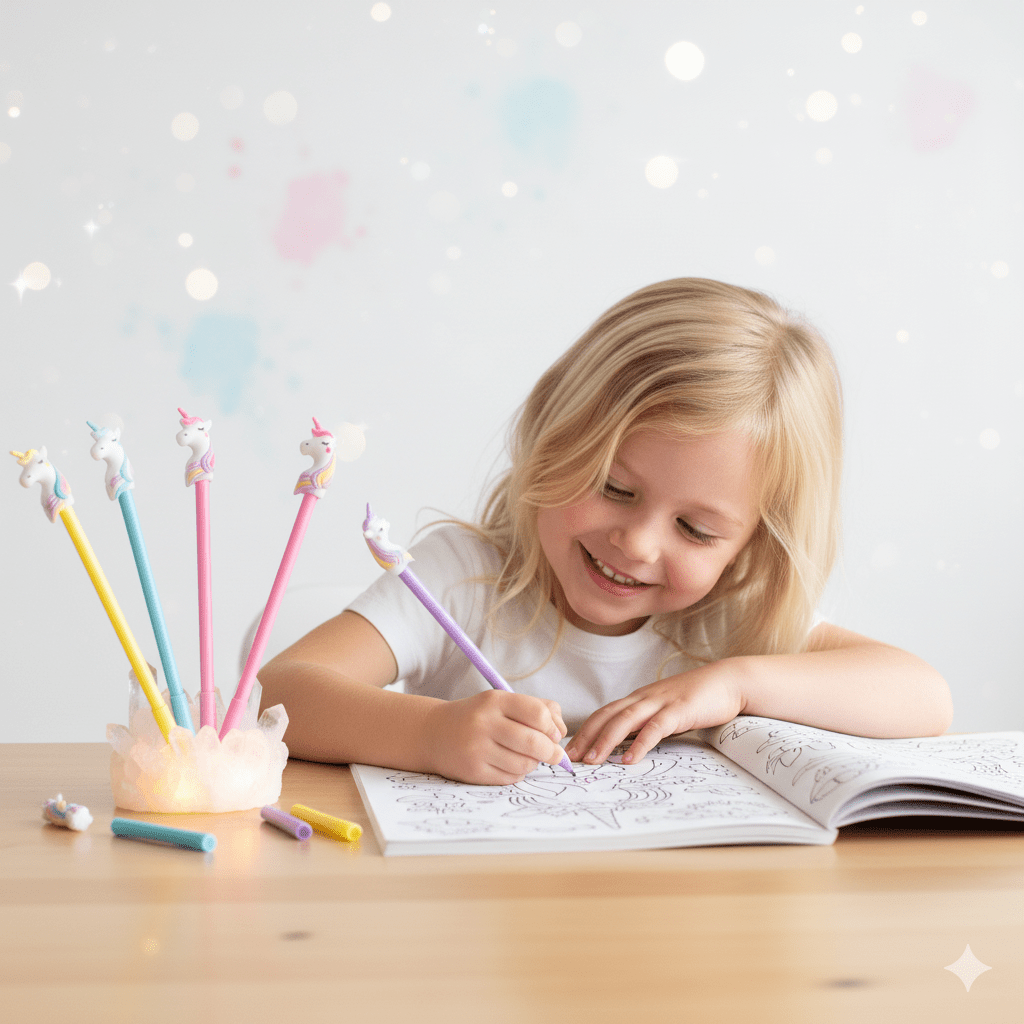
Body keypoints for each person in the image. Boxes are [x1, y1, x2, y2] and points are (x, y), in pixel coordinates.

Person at [258, 278, 952, 785]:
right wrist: (433, 734)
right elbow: (278, 691)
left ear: (751, 547)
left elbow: (924, 697)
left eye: (697, 530)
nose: (640, 544)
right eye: (614, 488)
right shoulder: (462, 578)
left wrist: (736, 685)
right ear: (556, 437)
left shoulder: (730, 623)